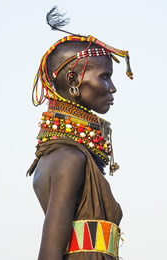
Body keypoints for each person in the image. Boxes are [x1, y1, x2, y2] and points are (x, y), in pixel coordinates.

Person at [27, 7, 133, 260]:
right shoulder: (69, 157)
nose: (113, 87)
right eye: (105, 76)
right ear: (73, 80)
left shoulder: (66, 154)